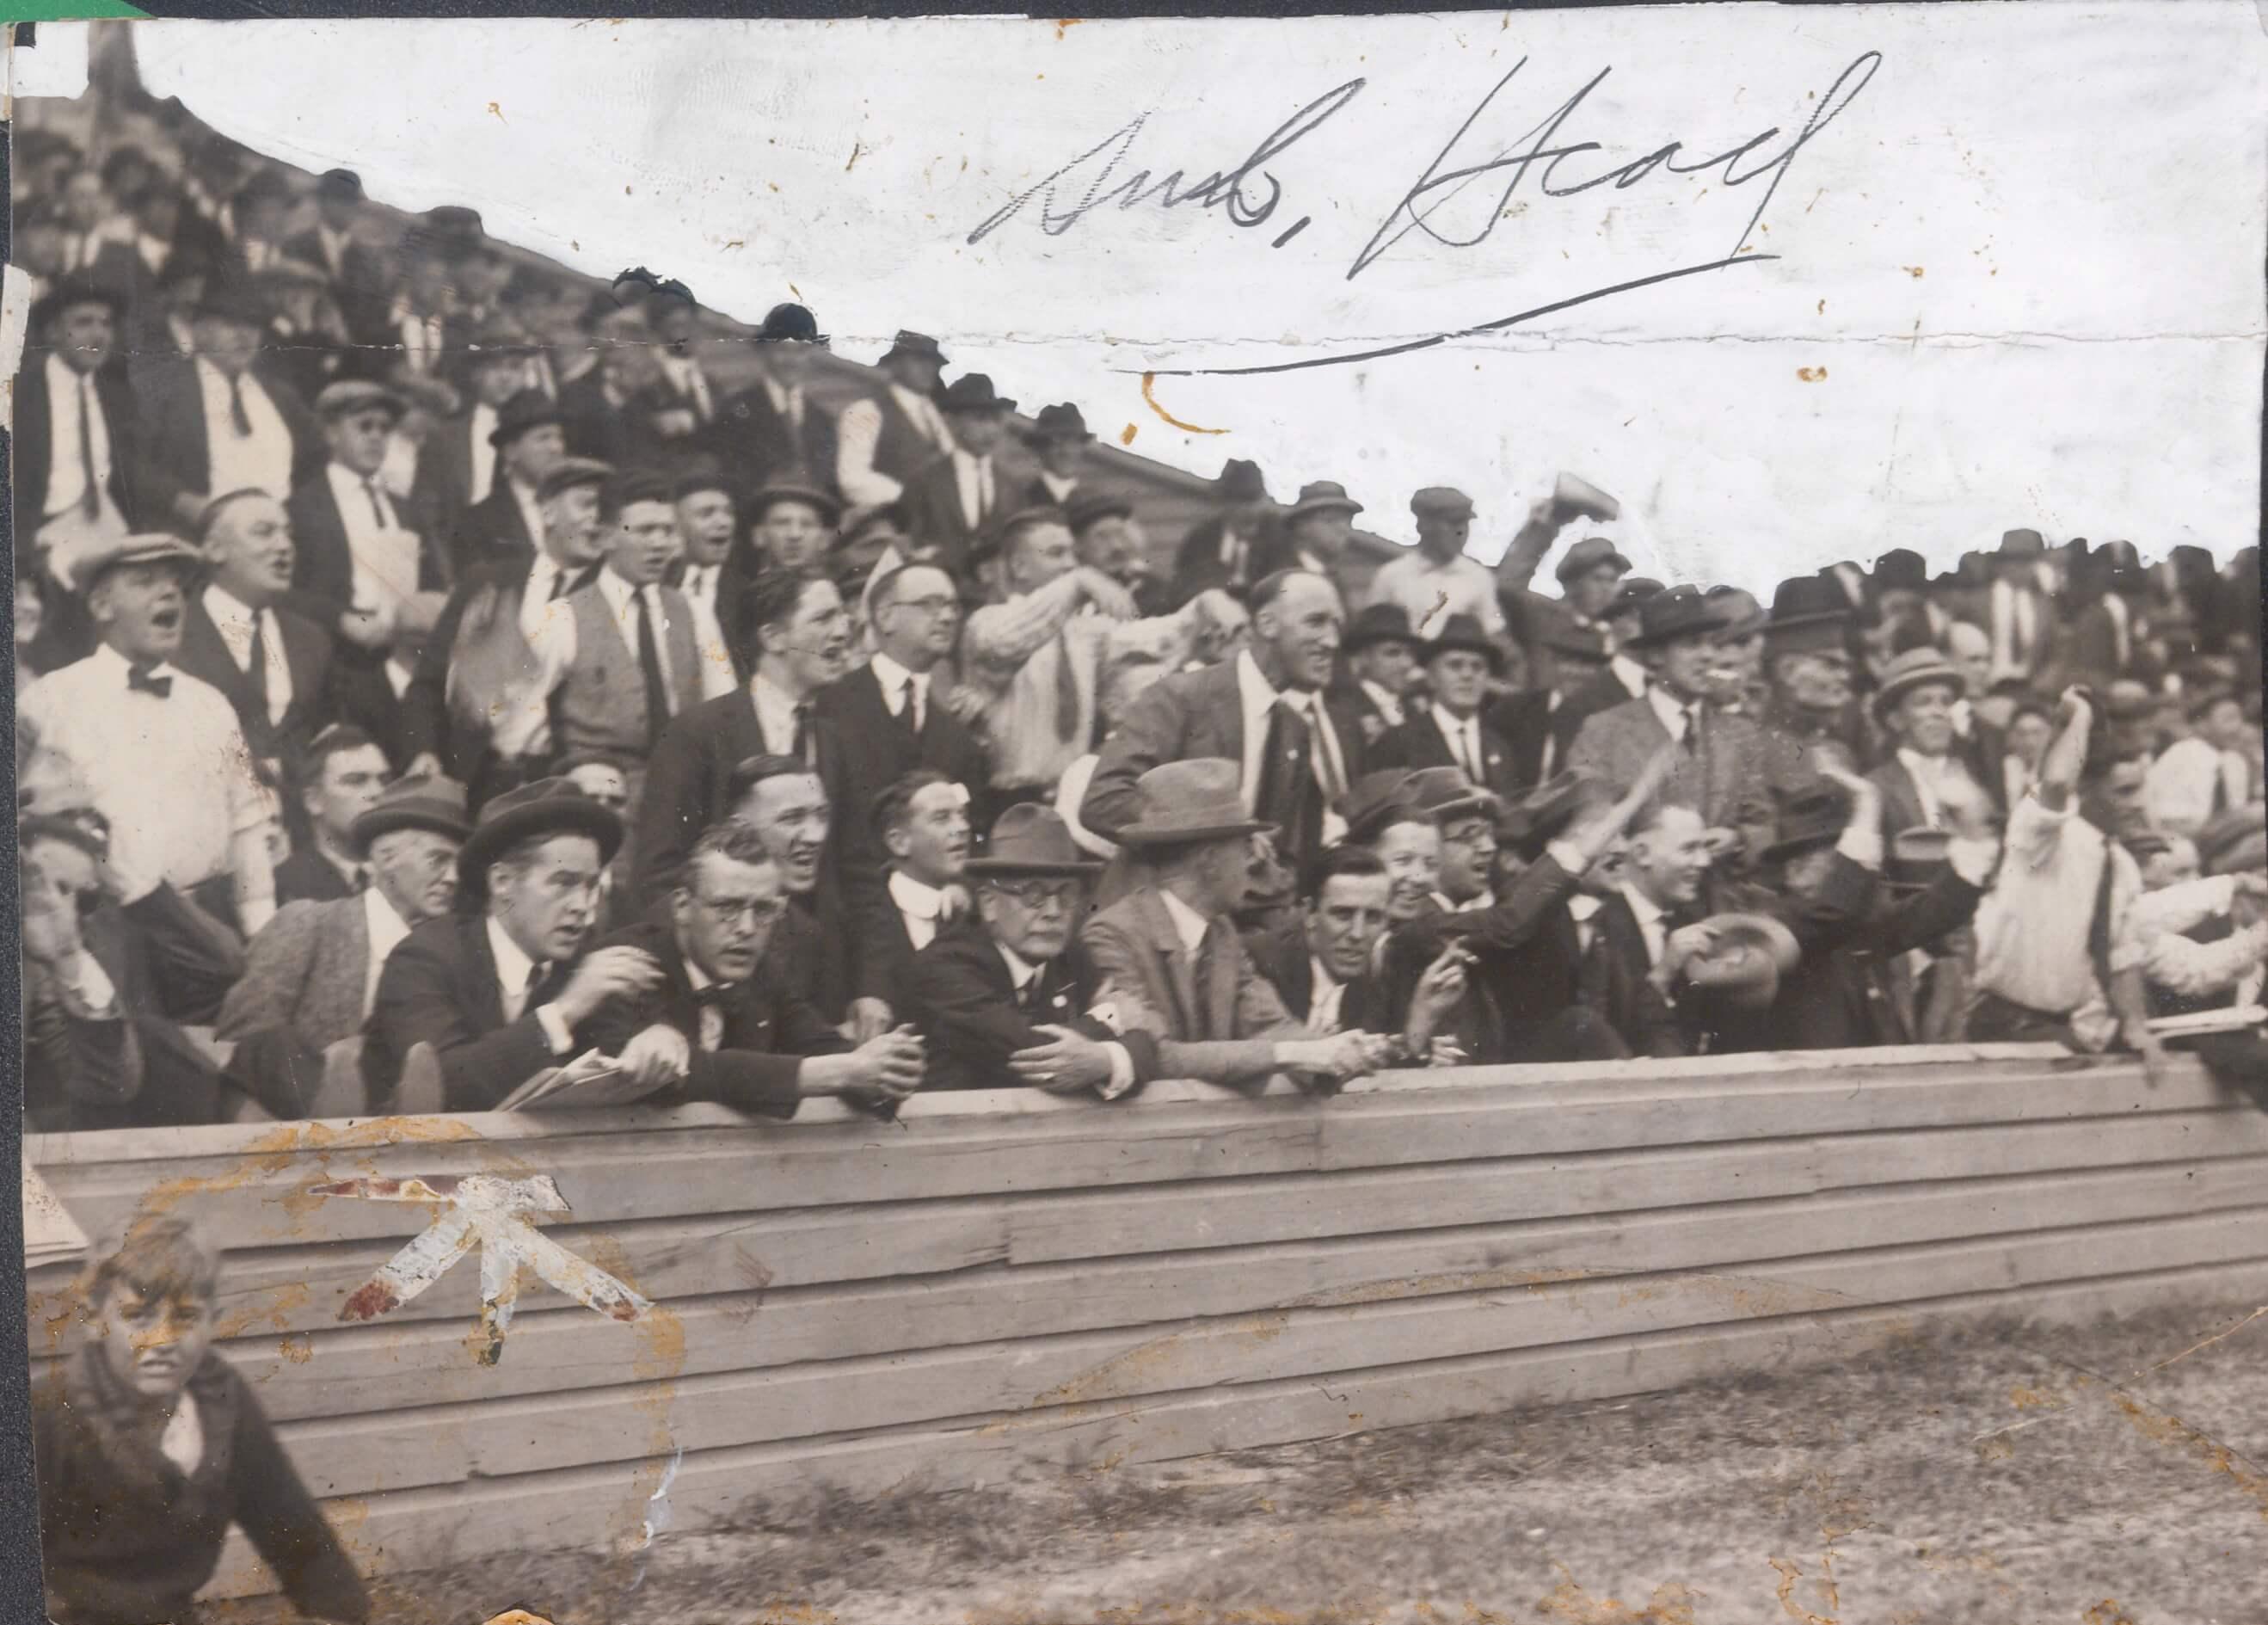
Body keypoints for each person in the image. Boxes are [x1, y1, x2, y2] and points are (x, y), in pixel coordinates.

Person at [34, 1213, 370, 1625]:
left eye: (186, 1319)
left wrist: (337, 1612)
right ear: (95, 1320)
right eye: (138, 1317)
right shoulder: (51, 1412)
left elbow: (288, 1521)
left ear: (214, 1319)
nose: (163, 1341)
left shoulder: (222, 1403)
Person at [1080, 759, 1397, 1090]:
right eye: (1245, 847)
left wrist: (1339, 1054)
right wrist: (1294, 1053)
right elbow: (1152, 1056)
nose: (1254, 860)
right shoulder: (1111, 936)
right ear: (1210, 860)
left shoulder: (1221, 933)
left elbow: (1268, 1023)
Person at [577, 820, 928, 1117]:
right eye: (727, 907)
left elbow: (829, 1049)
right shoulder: (626, 960)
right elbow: (683, 1074)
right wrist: (841, 1071)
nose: (746, 928)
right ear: (682, 906)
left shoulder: (763, 974)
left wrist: (889, 1070)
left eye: (763, 911)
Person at [22, 533, 278, 937]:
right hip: (106, 929)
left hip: (207, 927)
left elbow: (247, 827)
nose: (168, 595)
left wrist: (261, 935)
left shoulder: (210, 706)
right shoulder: (49, 701)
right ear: (102, 606)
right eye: (145, 583)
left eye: (175, 585)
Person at [363, 777, 664, 1111]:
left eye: (590, 886)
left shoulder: (582, 966)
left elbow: (621, 1060)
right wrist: (562, 1013)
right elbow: (440, 1087)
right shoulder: (422, 959)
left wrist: (658, 1043)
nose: (582, 905)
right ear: (502, 882)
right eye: (563, 883)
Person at [1378, 752, 1674, 1065]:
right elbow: (1508, 922)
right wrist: (1633, 801)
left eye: (1489, 834)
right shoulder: (1419, 924)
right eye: (1470, 835)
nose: (1488, 847)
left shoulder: (1464, 918)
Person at [958, 508, 1237, 821]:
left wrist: (1205, 605)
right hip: (1009, 801)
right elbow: (1009, 642)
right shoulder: (984, 624)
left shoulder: (1082, 632)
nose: (1069, 564)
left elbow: (1151, 641)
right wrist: (1077, 583)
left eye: (1072, 555)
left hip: (1068, 797)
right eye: (1056, 554)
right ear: (1020, 566)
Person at [217, 772, 469, 1119]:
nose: (453, 877)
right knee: (273, 1043)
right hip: (289, 1128)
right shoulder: (309, 923)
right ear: (385, 857)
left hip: (400, 1135)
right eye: (438, 860)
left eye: (459, 865)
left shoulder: (449, 955)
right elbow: (239, 1044)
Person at [1084, 569, 1357, 880]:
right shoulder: (1181, 698)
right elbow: (1104, 802)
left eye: (1337, 625)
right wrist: (1215, 835)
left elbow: (1288, 853)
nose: (1332, 641)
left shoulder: (1295, 730)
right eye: (1316, 622)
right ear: (1267, 624)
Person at [910, 803, 1164, 1095]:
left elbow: (1149, 1050)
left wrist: (1104, 1058)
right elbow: (1035, 1057)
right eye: (1034, 895)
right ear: (989, 903)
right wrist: (1112, 1019)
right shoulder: (945, 965)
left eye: (1066, 893)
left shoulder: (1070, 955)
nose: (1054, 912)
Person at [519, 470, 732, 814]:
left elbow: (723, 710)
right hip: (600, 801)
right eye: (646, 530)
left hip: (684, 796)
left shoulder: (694, 612)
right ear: (605, 538)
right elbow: (522, 731)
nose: (660, 544)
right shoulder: (561, 618)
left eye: (667, 530)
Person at [1968, 688, 2160, 1068]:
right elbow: (2055, 783)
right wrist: (2081, 716)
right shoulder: (2038, 835)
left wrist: (2137, 1025)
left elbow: (2122, 954)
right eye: (2124, 791)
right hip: (2006, 1024)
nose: (2138, 803)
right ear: (2086, 790)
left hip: (2062, 1031)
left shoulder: (2120, 862)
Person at [401, 454, 612, 793]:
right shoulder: (490, 581)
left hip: (561, 785)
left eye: (607, 511)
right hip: (476, 780)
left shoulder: (611, 598)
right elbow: (428, 684)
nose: (597, 520)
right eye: (587, 505)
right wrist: (423, 752)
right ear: (547, 511)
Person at [635, 568, 853, 896]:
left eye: (843, 617)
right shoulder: (697, 733)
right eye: (823, 619)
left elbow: (856, 871)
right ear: (773, 637)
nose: (842, 632)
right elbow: (660, 872)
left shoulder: (834, 739)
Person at [812, 562, 990, 939]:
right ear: (886, 617)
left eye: (953, 607)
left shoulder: (956, 733)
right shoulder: (828, 704)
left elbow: (974, 835)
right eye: (929, 604)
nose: (946, 617)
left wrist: (963, 885)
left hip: (929, 927)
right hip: (839, 922)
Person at [1567, 585, 1794, 875]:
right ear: (1656, 656)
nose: (1708, 656)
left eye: (1713, 643)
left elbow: (1763, 824)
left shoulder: (1740, 735)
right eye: (1692, 644)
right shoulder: (1604, 731)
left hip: (1717, 904)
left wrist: (1738, 840)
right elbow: (1590, 827)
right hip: (1634, 902)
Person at [285, 379, 452, 752]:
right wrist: (341, 617)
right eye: (364, 426)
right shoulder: (302, 509)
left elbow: (432, 581)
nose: (376, 437)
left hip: (404, 661)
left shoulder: (404, 508)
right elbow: (284, 593)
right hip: (339, 663)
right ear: (331, 432)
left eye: (384, 429)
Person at [15, 274, 144, 674]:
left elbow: (134, 477)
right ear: (54, 330)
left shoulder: (118, 396)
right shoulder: (20, 391)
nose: (99, 334)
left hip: (105, 538)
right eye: (84, 321)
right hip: (37, 544)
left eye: (106, 324)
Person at [135, 277, 323, 532]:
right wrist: (181, 501)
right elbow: (131, 461)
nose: (244, 335)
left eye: (253, 325)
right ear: (199, 331)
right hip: (199, 535)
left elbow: (318, 458)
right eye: (230, 324)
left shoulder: (280, 396)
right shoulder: (163, 389)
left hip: (280, 536)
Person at [172, 489, 336, 776]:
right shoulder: (173, 633)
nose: (284, 545)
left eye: (288, 534)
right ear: (214, 549)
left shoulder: (312, 639)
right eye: (264, 533)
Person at [719, 754, 851, 1020]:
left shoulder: (806, 933)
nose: (815, 836)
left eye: (822, 816)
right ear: (740, 826)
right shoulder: (692, 917)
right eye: (792, 819)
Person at [851, 771, 974, 1018]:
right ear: (899, 843)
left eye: (962, 816)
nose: (962, 828)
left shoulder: (977, 906)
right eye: (942, 819)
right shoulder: (859, 920)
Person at [1366, 615, 1525, 802]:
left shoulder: (1500, 746)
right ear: (1432, 678)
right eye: (1455, 665)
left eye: (1477, 667)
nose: (1467, 675)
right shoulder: (1399, 743)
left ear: (1487, 679)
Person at [894, 372, 1015, 582]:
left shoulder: (1010, 486)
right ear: (952, 422)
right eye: (980, 419)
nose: (991, 430)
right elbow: (910, 542)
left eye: (996, 420)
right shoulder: (923, 481)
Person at [1867, 646, 1989, 836]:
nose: (1939, 712)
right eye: (1923, 702)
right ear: (1896, 719)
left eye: (1946, 702)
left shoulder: (1974, 775)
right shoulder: (1877, 788)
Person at [719, 302, 839, 494]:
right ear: (765, 351)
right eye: (782, 349)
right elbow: (728, 476)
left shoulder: (823, 419)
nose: (791, 360)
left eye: (801, 351)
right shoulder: (736, 409)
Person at [1364, 486, 1505, 644]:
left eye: (1464, 524)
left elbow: (1492, 631)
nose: (1460, 532)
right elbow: (1372, 632)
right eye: (1452, 523)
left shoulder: (1478, 576)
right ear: (1424, 526)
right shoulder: (1392, 575)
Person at [1754, 574, 1867, 768]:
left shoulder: (1845, 740)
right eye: (1831, 664)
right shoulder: (1754, 743)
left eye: (1846, 666)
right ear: (1787, 671)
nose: (1845, 676)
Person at [834, 329, 956, 508]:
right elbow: (853, 479)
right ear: (895, 364)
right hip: (887, 514)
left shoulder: (934, 414)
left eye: (933, 362)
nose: (928, 368)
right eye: (918, 360)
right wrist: (910, 497)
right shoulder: (866, 411)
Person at [274, 726, 390, 903]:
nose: (377, 792)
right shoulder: (284, 887)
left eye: (384, 780)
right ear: (313, 800)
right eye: (356, 781)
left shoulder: (411, 875)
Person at [452, 387, 567, 568]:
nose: (556, 447)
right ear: (511, 451)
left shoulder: (576, 509)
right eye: (543, 438)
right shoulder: (478, 523)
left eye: (559, 437)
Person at [2145, 686, 2255, 835]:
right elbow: (2170, 821)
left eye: (2240, 718)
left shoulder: (2236, 762)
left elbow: (2237, 814)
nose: (2238, 726)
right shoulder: (2181, 756)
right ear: (2202, 724)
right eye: (2228, 719)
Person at [671, 464, 745, 685]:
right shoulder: (656, 584)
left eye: (728, 512)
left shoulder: (748, 594)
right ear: (676, 524)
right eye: (706, 513)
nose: (723, 522)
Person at [1958, 526, 2057, 689]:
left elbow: (2056, 654)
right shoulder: (1976, 602)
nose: (2021, 567)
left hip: (2030, 688)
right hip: (1985, 687)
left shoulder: (2044, 606)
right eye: (2013, 560)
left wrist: (2043, 682)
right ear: (1998, 564)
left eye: (2027, 560)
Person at [1170, 458, 1277, 606]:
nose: (1250, 510)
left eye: (1254, 499)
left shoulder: (1279, 535)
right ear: (1224, 503)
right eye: (1240, 501)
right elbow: (1184, 586)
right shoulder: (1201, 540)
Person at [1335, 603, 1421, 748]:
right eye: (1393, 653)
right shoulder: (1346, 709)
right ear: (1363, 657)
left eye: (1410, 653)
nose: (1407, 663)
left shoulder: (1412, 708)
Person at [1263, 479, 1366, 588]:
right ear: (1302, 526)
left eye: (1347, 522)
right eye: (1330, 520)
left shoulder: (1333, 576)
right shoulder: (1282, 578)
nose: (1343, 529)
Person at [748, 483, 840, 576]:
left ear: (824, 538)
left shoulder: (841, 589)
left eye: (807, 524)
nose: (795, 534)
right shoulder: (743, 589)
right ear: (759, 535)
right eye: (782, 523)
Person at [1019, 402, 1094, 508]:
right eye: (1057, 442)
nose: (1067, 451)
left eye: (1074, 442)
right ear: (1040, 448)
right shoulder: (1022, 499)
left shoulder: (1092, 501)